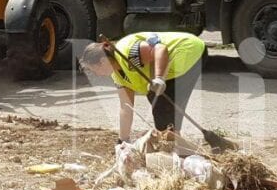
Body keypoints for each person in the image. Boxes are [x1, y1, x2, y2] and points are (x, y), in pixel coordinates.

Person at [79, 32, 207, 145]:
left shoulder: (128, 52)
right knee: (159, 104)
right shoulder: (118, 76)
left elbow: (160, 48)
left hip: (188, 51)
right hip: (169, 68)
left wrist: (159, 78)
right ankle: (174, 144)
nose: (96, 74)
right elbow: (126, 108)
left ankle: (177, 147)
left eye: (93, 70)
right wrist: (122, 141)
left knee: (162, 107)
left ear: (102, 61)